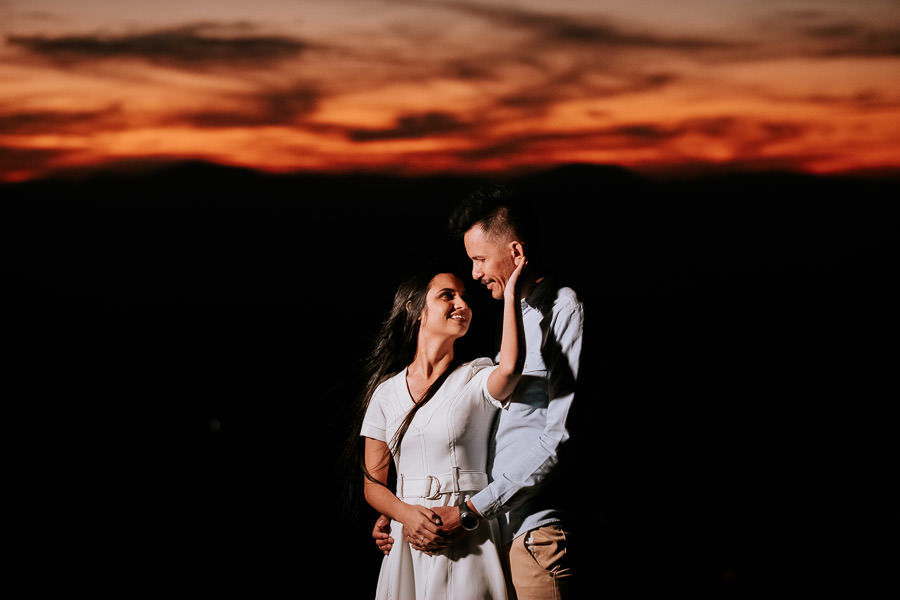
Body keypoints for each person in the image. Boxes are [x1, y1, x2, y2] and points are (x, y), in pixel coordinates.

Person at [372, 186, 585, 600]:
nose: (474, 273)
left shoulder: (562, 309)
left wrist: (471, 511)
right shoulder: (510, 322)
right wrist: (400, 512)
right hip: (485, 539)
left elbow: (558, 437)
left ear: (516, 252)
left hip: (531, 535)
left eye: (479, 259)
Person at [357, 256, 527, 600]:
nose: (462, 304)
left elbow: (510, 369)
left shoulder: (477, 376)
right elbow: (373, 485)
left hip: (467, 530)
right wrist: (403, 515)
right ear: (416, 309)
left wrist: (510, 296)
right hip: (410, 537)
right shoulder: (386, 393)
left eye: (464, 296)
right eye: (447, 295)